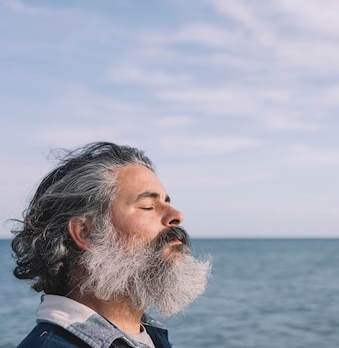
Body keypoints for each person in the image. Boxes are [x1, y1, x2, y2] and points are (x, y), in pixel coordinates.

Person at [11, 142, 211, 348]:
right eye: (148, 206)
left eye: (167, 202)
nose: (177, 215)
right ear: (86, 233)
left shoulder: (149, 338)